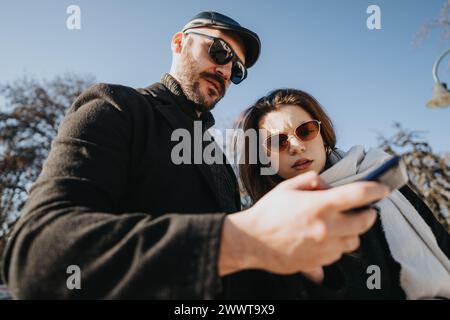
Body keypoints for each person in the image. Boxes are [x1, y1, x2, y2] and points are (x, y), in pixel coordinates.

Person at [2, 12, 389, 299]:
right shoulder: (118, 106)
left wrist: (310, 272)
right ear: (178, 42)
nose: (224, 69)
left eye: (236, 69)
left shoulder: (219, 162)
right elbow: (36, 254)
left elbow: (237, 282)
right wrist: (241, 238)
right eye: (218, 50)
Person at [235, 88, 450, 299]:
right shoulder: (272, 229)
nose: (296, 146)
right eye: (277, 142)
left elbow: (438, 237)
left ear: (324, 137)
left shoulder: (377, 173)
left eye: (306, 131)